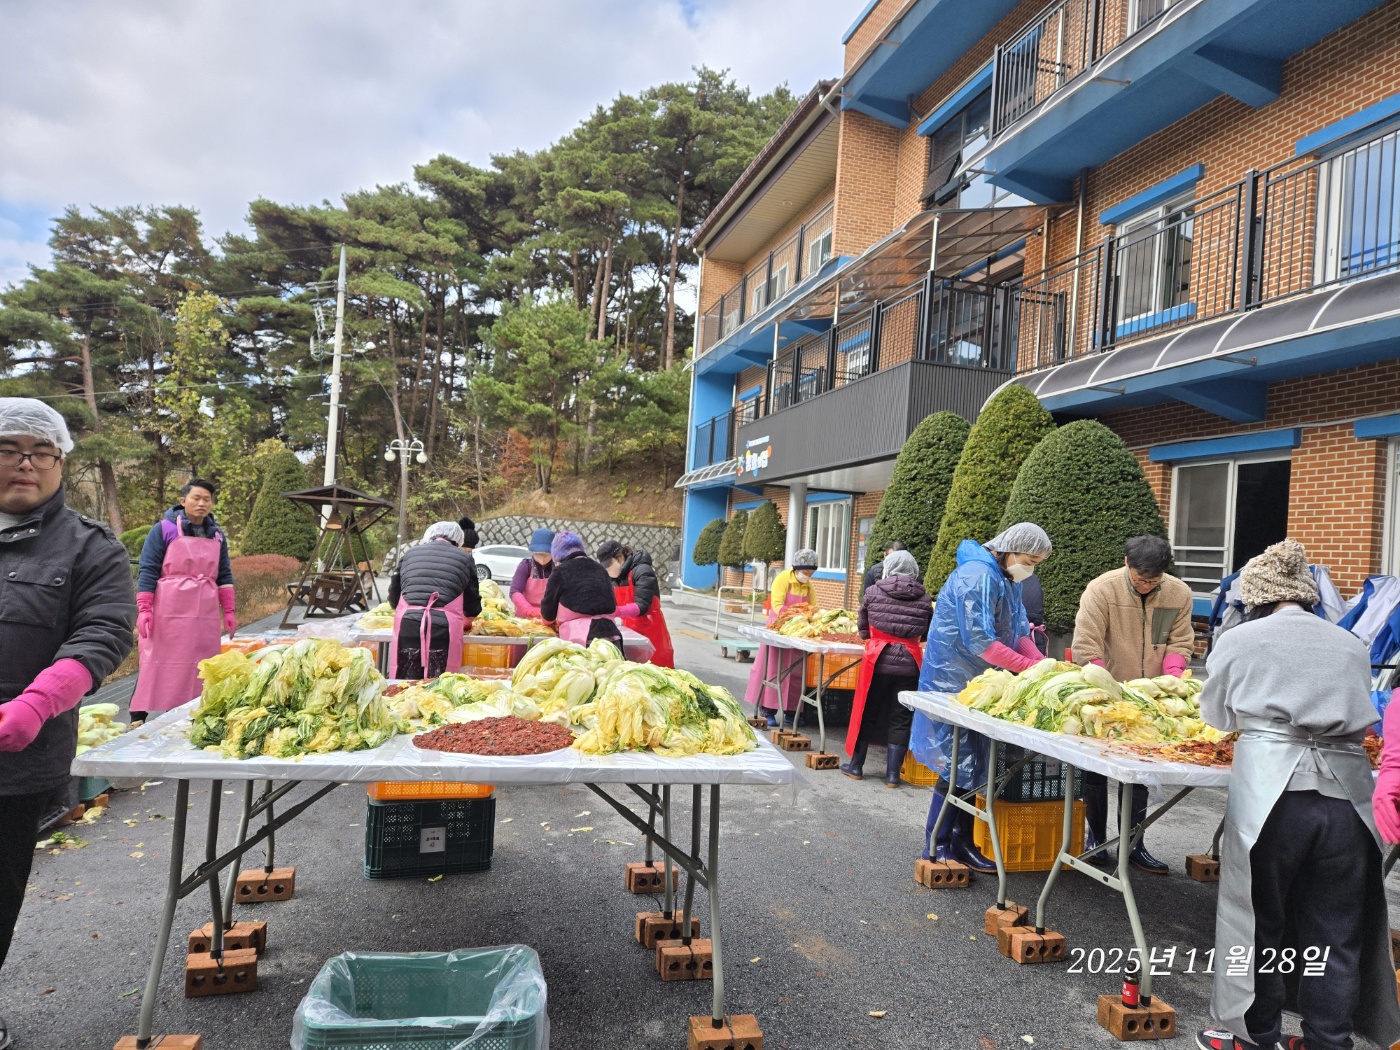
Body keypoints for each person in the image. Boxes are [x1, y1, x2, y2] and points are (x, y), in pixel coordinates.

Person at [1195, 539, 1400, 1050]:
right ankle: (1329, 1039)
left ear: (1256, 599)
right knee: (1337, 929)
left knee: (1256, 921)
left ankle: (1252, 1035)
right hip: (1348, 798)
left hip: (1274, 795)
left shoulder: (1241, 640)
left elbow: (1216, 716)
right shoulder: (1349, 643)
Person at [0, 399, 135, 1050]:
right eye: (8, 449)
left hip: (18, 758)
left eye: (40, 452)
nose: (25, 463)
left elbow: (103, 632)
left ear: (59, 462)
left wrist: (37, 702)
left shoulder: (89, 546)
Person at [911, 523, 1051, 872]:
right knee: (956, 764)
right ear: (1008, 549)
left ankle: (962, 841)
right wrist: (1027, 667)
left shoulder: (1006, 578)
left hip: (981, 683)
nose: (1030, 569)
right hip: (953, 680)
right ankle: (937, 843)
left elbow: (1018, 631)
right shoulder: (978, 576)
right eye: (1029, 561)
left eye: (1036, 563)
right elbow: (981, 641)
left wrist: (1042, 664)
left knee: (975, 765)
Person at [1071, 535, 1194, 874]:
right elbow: (1086, 643)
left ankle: (1134, 843)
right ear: (1126, 562)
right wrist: (1103, 684)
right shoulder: (1102, 589)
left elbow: (1178, 641)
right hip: (1106, 693)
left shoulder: (1177, 593)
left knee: (1140, 771)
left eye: (1153, 581)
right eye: (1140, 579)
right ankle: (1095, 839)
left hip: (1150, 696)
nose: (1146, 585)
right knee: (1096, 768)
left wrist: (1172, 676)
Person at [129, 477, 235, 723]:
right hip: (168, 607)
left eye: (206, 499)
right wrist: (144, 609)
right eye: (196, 498)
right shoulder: (163, 529)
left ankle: (185, 713)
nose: (201, 503)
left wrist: (229, 610)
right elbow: (148, 568)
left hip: (204, 610)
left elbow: (224, 574)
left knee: (199, 663)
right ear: (183, 500)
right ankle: (137, 716)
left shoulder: (217, 535)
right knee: (156, 659)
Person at [842, 549, 932, 786]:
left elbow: (863, 626)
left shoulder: (873, 591)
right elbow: (926, 632)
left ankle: (856, 766)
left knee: (867, 712)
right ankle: (893, 775)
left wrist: (870, 636)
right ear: (914, 571)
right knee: (901, 718)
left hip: (877, 660)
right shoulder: (924, 598)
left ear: (888, 568)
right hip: (910, 663)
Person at [388, 521, 482, 679]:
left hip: (408, 625)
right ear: (458, 539)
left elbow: (394, 596)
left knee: (404, 682)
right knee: (439, 683)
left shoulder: (410, 554)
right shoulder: (465, 559)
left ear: (430, 535)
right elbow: (472, 605)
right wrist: (468, 620)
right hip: (443, 630)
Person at [743, 548, 818, 728]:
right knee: (773, 669)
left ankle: (791, 712)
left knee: (795, 672)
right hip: (779, 629)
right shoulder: (783, 579)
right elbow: (776, 605)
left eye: (811, 573)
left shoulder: (809, 585)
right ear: (796, 568)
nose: (807, 576)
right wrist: (795, 616)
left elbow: (813, 607)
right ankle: (767, 710)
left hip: (798, 632)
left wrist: (813, 618)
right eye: (805, 572)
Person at [597, 539, 675, 668]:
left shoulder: (642, 571)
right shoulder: (615, 578)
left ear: (620, 557)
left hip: (652, 630)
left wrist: (617, 611)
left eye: (609, 564)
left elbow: (642, 605)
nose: (608, 569)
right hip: (630, 632)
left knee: (657, 670)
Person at [540, 531, 622, 647]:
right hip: (612, 637)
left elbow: (548, 615)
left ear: (557, 555)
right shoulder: (600, 569)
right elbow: (612, 605)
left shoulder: (560, 572)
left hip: (583, 641)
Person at [510, 528, 555, 618]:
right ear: (533, 552)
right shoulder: (525, 565)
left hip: (549, 617)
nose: (542, 558)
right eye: (539, 554)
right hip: (525, 616)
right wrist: (529, 609)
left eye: (546, 555)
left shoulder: (558, 567)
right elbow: (515, 591)